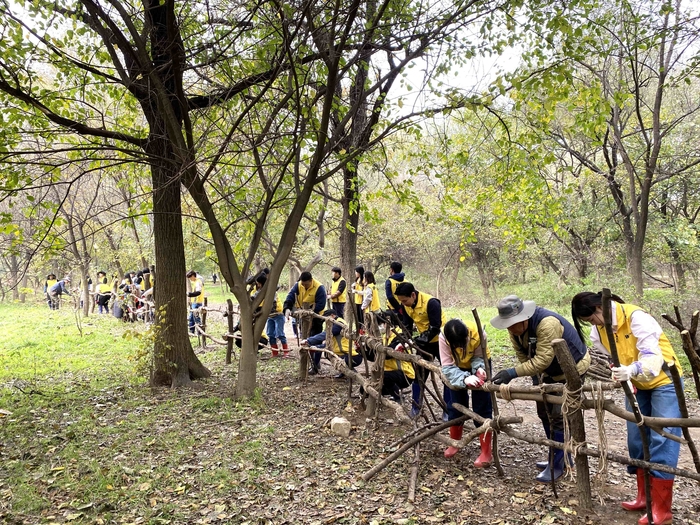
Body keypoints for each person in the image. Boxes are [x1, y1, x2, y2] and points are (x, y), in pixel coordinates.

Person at [571, 292, 682, 525]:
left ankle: (662, 509)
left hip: (664, 382)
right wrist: (621, 372)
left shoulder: (637, 318)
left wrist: (631, 370)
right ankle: (644, 497)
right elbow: (612, 356)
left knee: (663, 438)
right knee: (636, 438)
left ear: (599, 307)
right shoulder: (598, 331)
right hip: (637, 385)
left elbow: (654, 357)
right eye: (589, 323)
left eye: (593, 319)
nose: (594, 325)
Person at [490, 295, 590, 483]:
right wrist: (535, 376)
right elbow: (523, 354)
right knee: (544, 412)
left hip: (570, 370)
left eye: (512, 323)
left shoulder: (547, 324)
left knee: (559, 415)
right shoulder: (515, 330)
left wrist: (512, 373)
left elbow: (544, 358)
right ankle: (558, 454)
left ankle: (559, 464)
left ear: (524, 318)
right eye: (507, 324)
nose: (510, 328)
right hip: (546, 372)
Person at [440, 319, 492, 466]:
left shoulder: (479, 333)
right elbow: (448, 366)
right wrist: (464, 378)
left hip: (479, 362)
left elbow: (479, 357)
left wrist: (479, 370)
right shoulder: (443, 337)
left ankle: (486, 452)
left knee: (482, 407)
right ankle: (454, 442)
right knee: (455, 404)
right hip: (456, 368)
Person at [394, 282, 447, 418]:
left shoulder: (431, 303)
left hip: (441, 341)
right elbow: (407, 327)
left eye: (405, 300)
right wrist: (405, 342)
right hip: (425, 341)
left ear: (413, 295)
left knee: (447, 375)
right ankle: (416, 406)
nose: (403, 303)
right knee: (419, 375)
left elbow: (435, 327)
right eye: (401, 301)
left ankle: (448, 409)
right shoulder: (405, 305)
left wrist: (418, 340)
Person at [304, 309, 362, 377]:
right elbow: (330, 344)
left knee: (339, 360)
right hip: (342, 353)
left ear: (332, 316)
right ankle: (316, 368)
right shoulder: (334, 324)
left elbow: (325, 334)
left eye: (327, 318)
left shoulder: (339, 324)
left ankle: (353, 374)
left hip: (352, 356)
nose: (326, 321)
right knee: (327, 354)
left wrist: (308, 341)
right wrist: (317, 347)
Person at [283, 271, 327, 348]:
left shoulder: (319, 287)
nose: (304, 286)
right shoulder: (298, 285)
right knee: (304, 336)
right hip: (303, 316)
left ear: (311, 280)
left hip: (316, 317)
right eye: (303, 284)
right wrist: (287, 308)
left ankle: (315, 358)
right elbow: (290, 296)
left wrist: (309, 312)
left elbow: (321, 304)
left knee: (315, 338)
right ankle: (306, 355)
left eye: (306, 284)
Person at [255, 274, 291, 358]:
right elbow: (254, 296)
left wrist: (261, 308)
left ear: (262, 283)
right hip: (269, 316)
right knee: (270, 333)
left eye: (259, 283)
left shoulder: (272, 291)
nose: (258, 285)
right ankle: (274, 352)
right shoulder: (260, 291)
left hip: (278, 314)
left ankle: (286, 351)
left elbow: (273, 303)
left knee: (280, 333)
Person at [380, 325, 415, 401]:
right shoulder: (384, 337)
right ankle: (393, 392)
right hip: (390, 371)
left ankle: (398, 397)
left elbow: (387, 355)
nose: (382, 326)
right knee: (363, 390)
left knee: (385, 377)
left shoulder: (400, 336)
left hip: (405, 374)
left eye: (383, 323)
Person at [186, 270, 204, 335]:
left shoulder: (198, 282)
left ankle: (199, 332)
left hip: (197, 302)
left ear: (193, 276)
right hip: (194, 302)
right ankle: (192, 331)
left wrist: (189, 294)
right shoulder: (195, 282)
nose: (190, 279)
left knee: (195, 317)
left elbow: (198, 292)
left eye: (190, 278)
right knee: (192, 317)